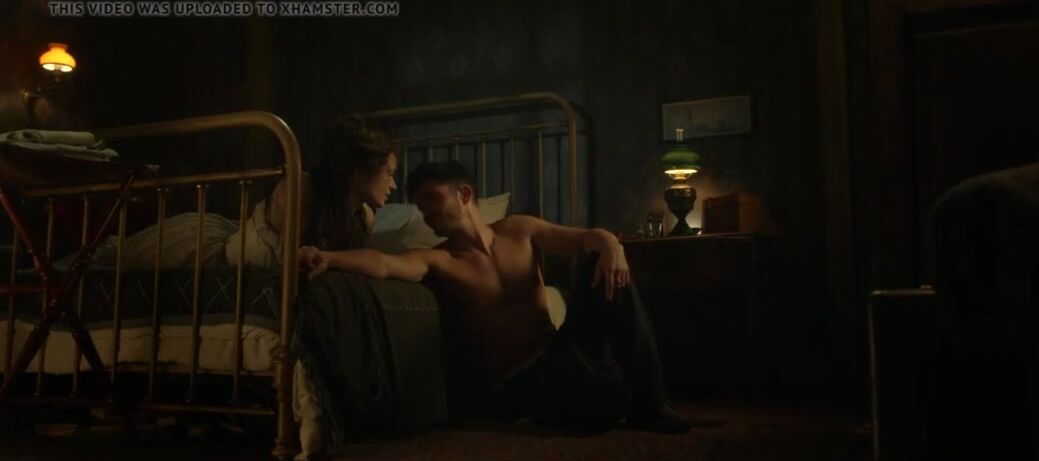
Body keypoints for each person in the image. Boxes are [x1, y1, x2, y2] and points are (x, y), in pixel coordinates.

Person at [297, 161, 690, 433]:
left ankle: (651, 404)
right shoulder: (439, 259)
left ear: (464, 194)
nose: (426, 213)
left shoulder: (519, 230)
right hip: (521, 381)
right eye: (420, 207)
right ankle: (620, 397)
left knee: (598, 264)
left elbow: (587, 238)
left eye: (432, 199)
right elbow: (384, 264)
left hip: (562, 351)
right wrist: (329, 257)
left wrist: (611, 246)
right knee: (605, 397)